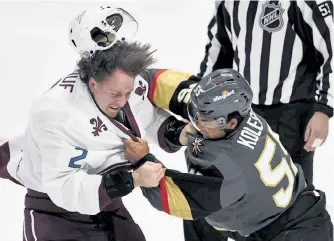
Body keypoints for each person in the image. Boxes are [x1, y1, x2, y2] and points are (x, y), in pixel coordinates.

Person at [0, 5, 201, 241]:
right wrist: (133, 179)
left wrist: (178, 132)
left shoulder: (124, 83)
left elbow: (146, 114)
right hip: (53, 210)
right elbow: (64, 187)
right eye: (116, 94)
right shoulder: (57, 114)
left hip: (104, 200)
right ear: (93, 83)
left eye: (127, 93)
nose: (123, 100)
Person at [122, 68, 333, 241]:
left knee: (199, 207)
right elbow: (163, 82)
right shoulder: (222, 111)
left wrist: (143, 159)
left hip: (299, 233)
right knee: (203, 217)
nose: (198, 124)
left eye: (206, 121)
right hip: (268, 214)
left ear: (231, 123)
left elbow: (172, 198)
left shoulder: (230, 165)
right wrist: (131, 79)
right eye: (195, 116)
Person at [187, 1, 334, 239]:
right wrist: (199, 107)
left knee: (288, 201)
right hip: (240, 112)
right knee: (212, 191)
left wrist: (324, 109)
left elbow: (331, 51)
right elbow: (219, 48)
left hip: (294, 113)